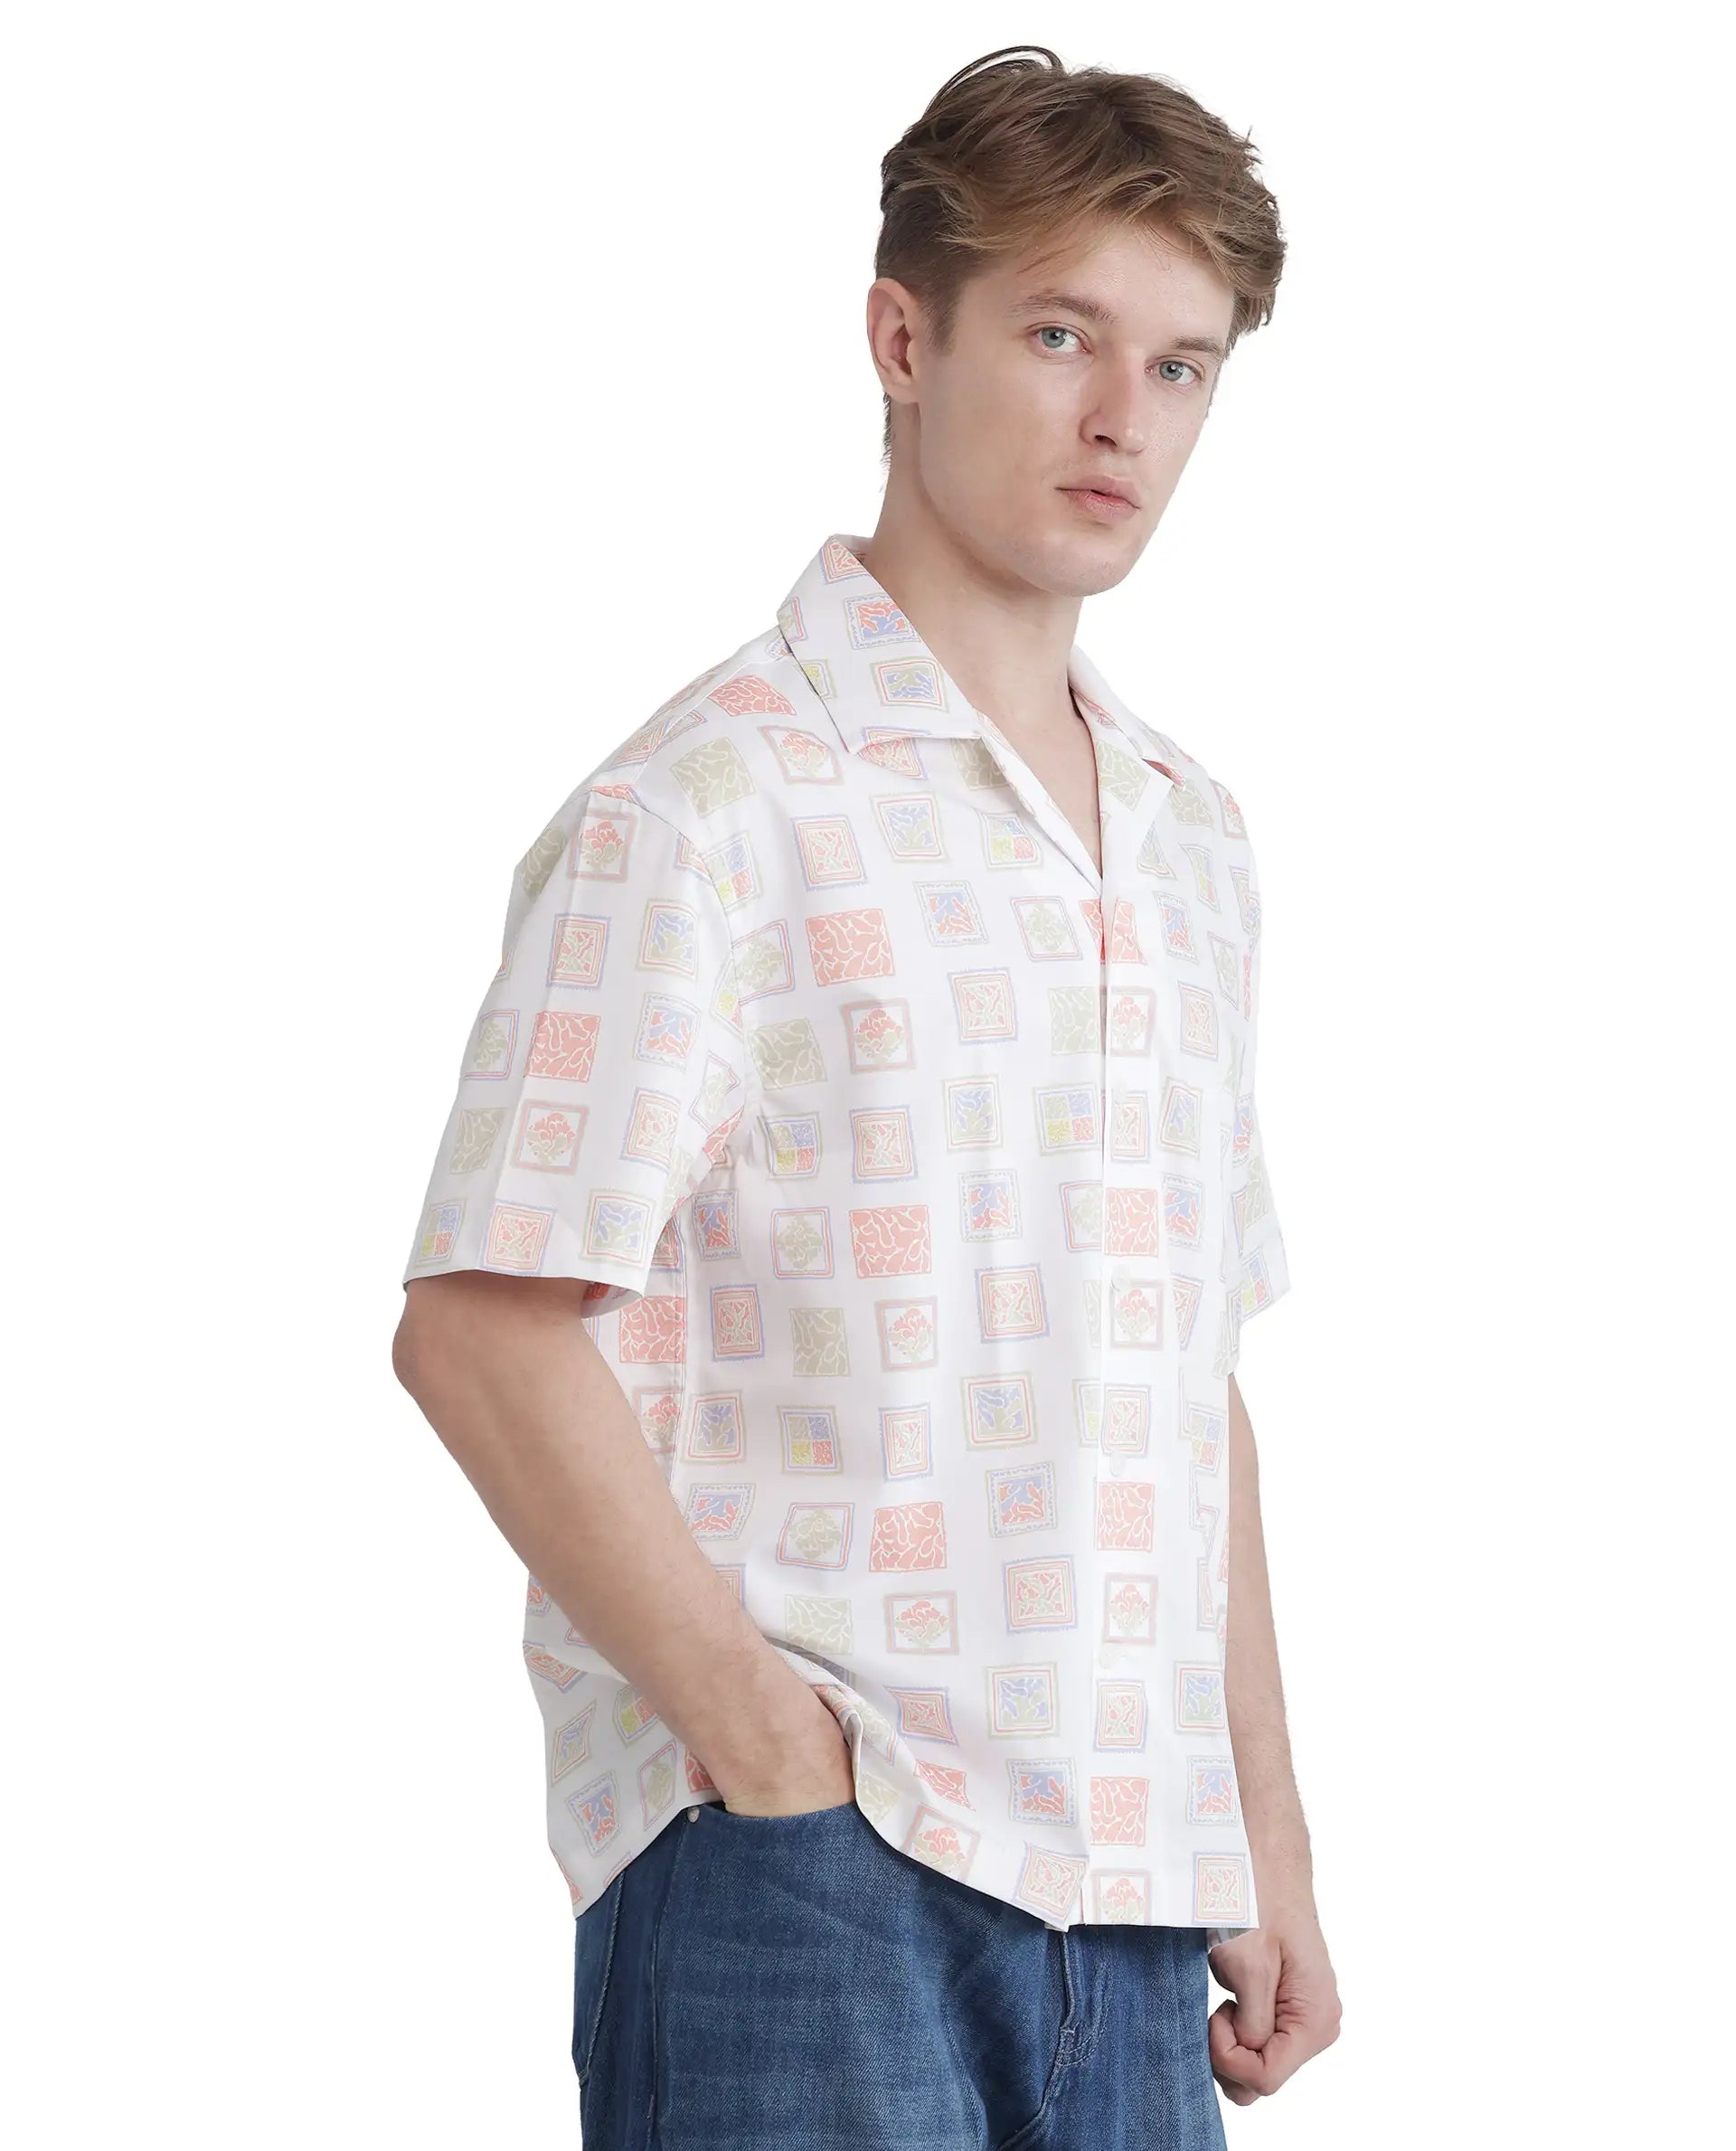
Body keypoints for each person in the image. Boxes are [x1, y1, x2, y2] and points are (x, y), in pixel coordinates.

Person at [392, 42, 1341, 2149]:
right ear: (905, 340)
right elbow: (479, 1321)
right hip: (811, 1878)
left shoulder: (1191, 837)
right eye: (1063, 334)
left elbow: (1186, 1377)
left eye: (1183, 365)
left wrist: (1261, 1835)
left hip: (1135, 1898)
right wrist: (767, 1747)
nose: (1124, 417)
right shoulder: (709, 805)